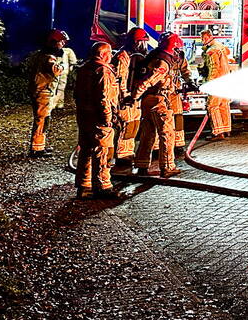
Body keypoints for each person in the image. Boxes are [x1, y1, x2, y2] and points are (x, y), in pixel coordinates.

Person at [131, 33, 184, 178]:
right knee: (167, 133)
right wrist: (134, 97)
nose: (177, 52)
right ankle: (167, 167)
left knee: (148, 134)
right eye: (176, 49)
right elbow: (148, 81)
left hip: (149, 100)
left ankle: (142, 165)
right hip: (157, 101)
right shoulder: (162, 63)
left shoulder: (155, 56)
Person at [74, 42, 121, 199]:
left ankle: (84, 185)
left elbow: (76, 94)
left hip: (84, 115)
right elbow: (104, 97)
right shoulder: (103, 71)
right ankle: (103, 186)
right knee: (103, 151)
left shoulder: (84, 68)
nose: (111, 57)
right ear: (103, 54)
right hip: (98, 118)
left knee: (86, 150)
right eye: (109, 54)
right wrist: (107, 117)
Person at [112, 28, 149, 169]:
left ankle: (128, 152)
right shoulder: (123, 56)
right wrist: (125, 96)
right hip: (125, 98)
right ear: (135, 42)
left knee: (133, 125)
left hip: (134, 97)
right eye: (142, 42)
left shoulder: (135, 55)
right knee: (125, 126)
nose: (144, 46)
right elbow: (121, 79)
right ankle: (121, 156)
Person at [27, 30, 67, 157]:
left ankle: (39, 146)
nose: (63, 44)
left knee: (43, 119)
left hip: (40, 90)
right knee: (43, 120)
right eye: (61, 41)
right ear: (54, 42)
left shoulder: (41, 54)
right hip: (43, 91)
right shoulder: (48, 57)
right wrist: (62, 66)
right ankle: (36, 149)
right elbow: (55, 70)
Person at [199, 30, 233, 140]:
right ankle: (226, 129)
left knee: (212, 106)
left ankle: (218, 133)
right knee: (223, 105)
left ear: (208, 37)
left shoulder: (211, 51)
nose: (202, 41)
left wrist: (209, 82)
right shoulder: (220, 46)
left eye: (203, 38)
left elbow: (214, 68)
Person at [52, 42, 78, 110]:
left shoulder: (67, 50)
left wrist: (71, 68)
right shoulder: (54, 50)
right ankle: (55, 104)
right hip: (56, 71)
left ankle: (59, 104)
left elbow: (73, 61)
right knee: (55, 88)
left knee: (60, 88)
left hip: (62, 72)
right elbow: (73, 61)